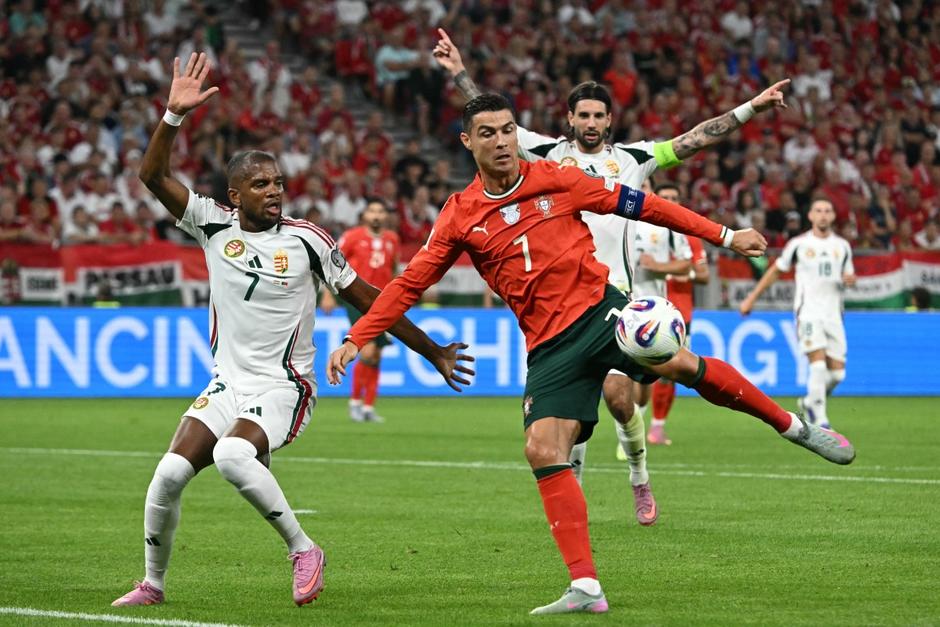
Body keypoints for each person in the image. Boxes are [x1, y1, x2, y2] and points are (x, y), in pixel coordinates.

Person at [327, 94, 856, 615]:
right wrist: (357, 337)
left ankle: (793, 426)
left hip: (602, 312)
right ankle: (585, 586)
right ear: (467, 142)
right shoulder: (459, 215)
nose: (502, 141)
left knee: (677, 363)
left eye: (508, 130)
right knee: (541, 448)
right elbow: (408, 285)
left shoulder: (557, 178)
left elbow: (645, 205)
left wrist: (724, 235)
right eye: (488, 133)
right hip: (548, 346)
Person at [112, 53, 474, 610]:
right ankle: (153, 585)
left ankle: (304, 550)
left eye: (278, 182)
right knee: (166, 476)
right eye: (260, 184)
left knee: (233, 457)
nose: (274, 191)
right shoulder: (212, 224)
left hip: (286, 385)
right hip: (226, 384)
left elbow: (370, 300)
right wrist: (173, 116)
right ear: (235, 196)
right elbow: (152, 176)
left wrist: (432, 351)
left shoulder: (308, 240)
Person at [432, 28, 790, 526]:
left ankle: (639, 477)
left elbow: (695, 139)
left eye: (599, 115)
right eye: (583, 115)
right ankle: (575, 494)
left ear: (609, 120)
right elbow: (488, 120)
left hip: (617, 297)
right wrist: (459, 73)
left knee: (620, 398)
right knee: (573, 417)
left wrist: (751, 107)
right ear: (570, 119)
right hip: (561, 302)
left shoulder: (634, 159)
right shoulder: (546, 154)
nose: (591, 122)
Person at [740, 198, 856, 430]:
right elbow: (775, 271)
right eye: (818, 210)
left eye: (827, 211)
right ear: (810, 216)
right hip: (808, 312)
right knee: (818, 366)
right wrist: (752, 298)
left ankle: (810, 400)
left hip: (834, 314)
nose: (823, 215)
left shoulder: (842, 246)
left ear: (833, 216)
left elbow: (848, 277)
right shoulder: (799, 244)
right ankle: (820, 421)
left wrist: (850, 280)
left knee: (837, 375)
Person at [321, 198, 401, 423]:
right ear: (364, 215)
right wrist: (327, 294)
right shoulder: (352, 236)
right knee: (367, 350)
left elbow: (394, 270)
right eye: (372, 211)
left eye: (380, 211)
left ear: (385, 216)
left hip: (382, 301)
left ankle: (368, 407)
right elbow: (331, 262)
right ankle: (355, 403)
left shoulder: (392, 239)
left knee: (376, 355)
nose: (376, 215)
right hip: (356, 299)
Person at [629, 182, 693, 449]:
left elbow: (687, 263)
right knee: (618, 377)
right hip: (618, 304)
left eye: (644, 185)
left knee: (647, 376)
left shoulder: (666, 225)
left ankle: (638, 424)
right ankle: (629, 434)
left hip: (652, 310)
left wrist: (658, 266)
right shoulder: (613, 219)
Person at [647, 183, 711, 446]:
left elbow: (704, 275)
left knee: (671, 372)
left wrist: (672, 271)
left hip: (680, 313)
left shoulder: (689, 236)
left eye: (674, 197)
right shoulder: (642, 231)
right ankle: (633, 424)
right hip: (646, 309)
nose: (670, 201)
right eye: (665, 197)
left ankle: (657, 426)